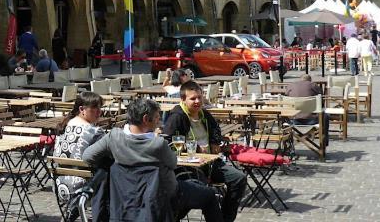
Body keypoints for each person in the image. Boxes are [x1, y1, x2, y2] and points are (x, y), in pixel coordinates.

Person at [84, 98, 223, 222]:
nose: (159, 121)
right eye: (157, 117)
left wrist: (112, 159)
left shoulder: (113, 137)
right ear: (146, 119)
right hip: (163, 195)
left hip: (126, 197)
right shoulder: (158, 144)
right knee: (209, 195)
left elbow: (87, 156)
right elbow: (173, 163)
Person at [163, 82, 245, 222]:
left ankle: (225, 218)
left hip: (210, 163)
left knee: (239, 178)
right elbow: (168, 143)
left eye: (200, 97)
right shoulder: (177, 117)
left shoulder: (204, 114)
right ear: (183, 99)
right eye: (193, 98)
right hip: (188, 166)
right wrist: (194, 149)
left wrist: (214, 142)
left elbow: (216, 130)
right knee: (200, 191)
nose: (198, 101)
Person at [54, 91, 106, 209]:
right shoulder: (94, 132)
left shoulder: (64, 126)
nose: (99, 111)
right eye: (94, 108)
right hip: (84, 190)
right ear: (82, 109)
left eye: (100, 107)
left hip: (60, 187)